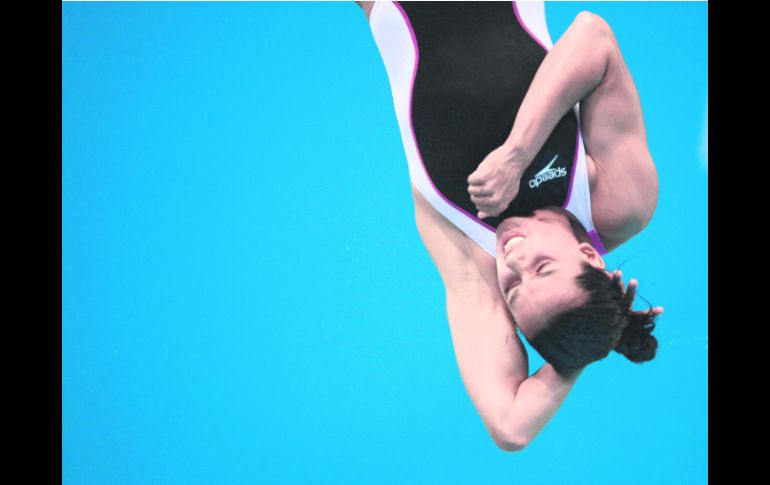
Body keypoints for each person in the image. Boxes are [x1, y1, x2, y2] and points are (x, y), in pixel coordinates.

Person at [357, 1, 663, 451]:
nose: (515, 259)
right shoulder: (618, 203)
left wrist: (588, 345)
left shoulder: (473, 263)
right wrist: (518, 153)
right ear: (589, 256)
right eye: (542, 268)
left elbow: (511, 428)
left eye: (515, 288)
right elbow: (592, 36)